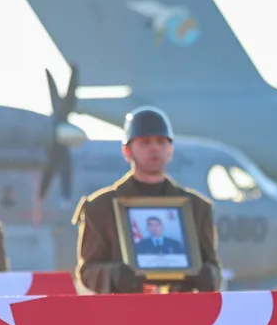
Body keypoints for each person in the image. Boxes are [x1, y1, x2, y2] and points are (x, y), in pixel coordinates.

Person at [71, 106, 220, 294]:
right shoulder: (100, 207)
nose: (154, 148)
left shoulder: (197, 208)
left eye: (161, 142)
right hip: (126, 314)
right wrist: (115, 275)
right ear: (127, 151)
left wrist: (208, 276)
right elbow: (87, 270)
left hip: (181, 314)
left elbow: (213, 266)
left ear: (171, 149)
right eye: (145, 142)